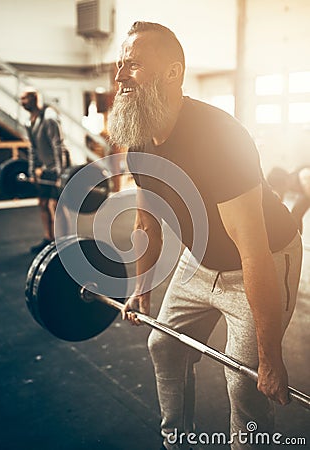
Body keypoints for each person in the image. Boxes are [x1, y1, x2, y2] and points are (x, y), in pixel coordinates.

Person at [108, 22, 302, 450]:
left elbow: (253, 251)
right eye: (120, 64)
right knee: (164, 345)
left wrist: (270, 359)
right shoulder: (139, 140)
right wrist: (141, 287)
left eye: (134, 65)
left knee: (243, 382)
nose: (120, 76)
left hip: (263, 258)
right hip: (199, 262)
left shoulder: (219, 138)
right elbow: (147, 223)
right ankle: (175, 439)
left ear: (172, 72)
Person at [20, 89, 71, 254]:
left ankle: (64, 240)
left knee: (56, 206)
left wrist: (60, 173)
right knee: (43, 203)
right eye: (21, 99)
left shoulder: (49, 118)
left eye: (25, 99)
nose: (22, 102)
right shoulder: (29, 122)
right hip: (44, 170)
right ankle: (49, 238)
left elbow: (59, 146)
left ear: (35, 100)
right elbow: (33, 149)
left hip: (57, 168)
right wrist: (33, 170)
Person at [267, 166, 310, 233]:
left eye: (278, 189)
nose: (280, 193)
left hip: (306, 181)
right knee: (296, 213)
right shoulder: (288, 185)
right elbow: (279, 202)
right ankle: (297, 239)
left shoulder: (304, 177)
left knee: (296, 212)